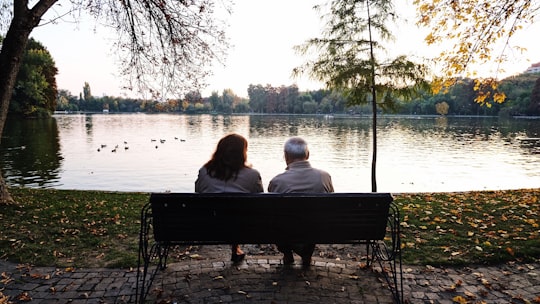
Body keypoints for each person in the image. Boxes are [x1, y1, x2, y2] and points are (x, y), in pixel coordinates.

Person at [195, 133, 264, 263]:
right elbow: (259, 200)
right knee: (238, 213)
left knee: (227, 213)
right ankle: (235, 247)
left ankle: (235, 247)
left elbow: (198, 192)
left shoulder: (205, 171)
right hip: (244, 226)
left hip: (208, 226)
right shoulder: (253, 175)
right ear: (242, 153)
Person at [268, 137, 334, 267]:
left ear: (286, 156)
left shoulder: (277, 181)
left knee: (278, 220)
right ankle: (306, 254)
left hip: (286, 230)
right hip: (317, 229)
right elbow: (330, 205)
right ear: (307, 155)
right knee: (313, 218)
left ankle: (287, 253)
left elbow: (271, 211)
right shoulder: (324, 177)